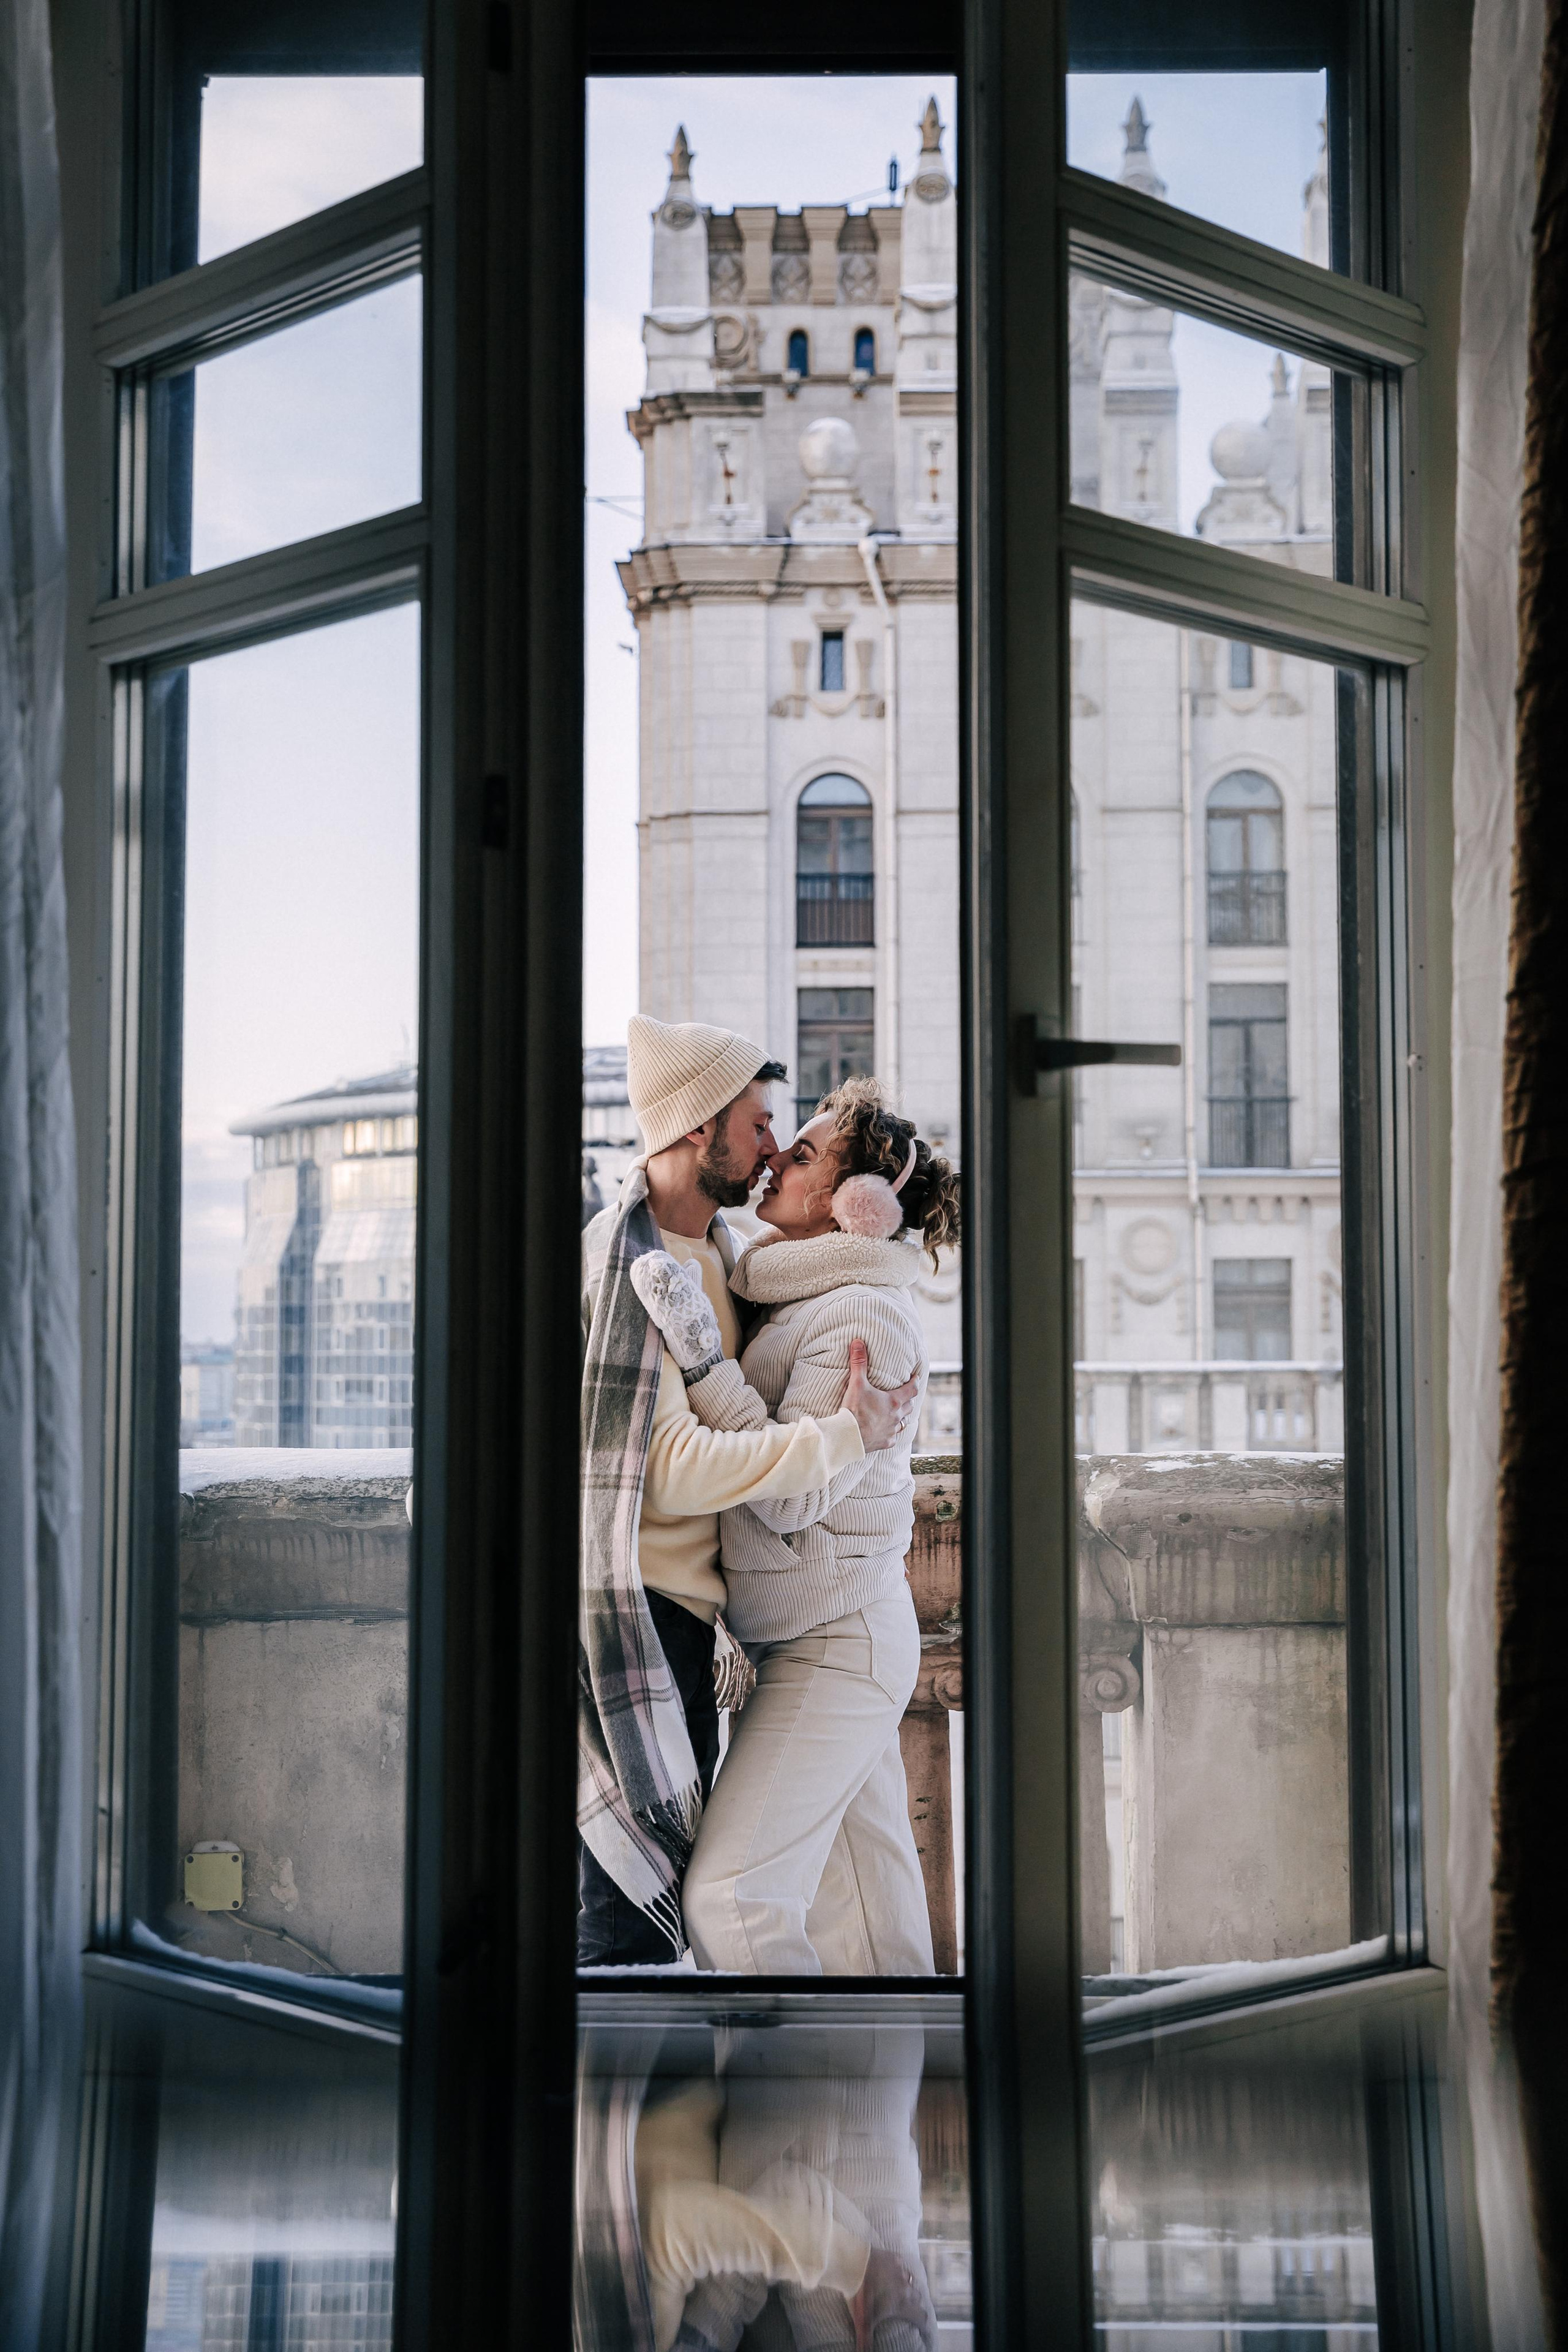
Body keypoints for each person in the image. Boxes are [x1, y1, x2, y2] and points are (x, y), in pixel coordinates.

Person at [578, 1017, 918, 1966]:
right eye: (763, 1125)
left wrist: (836, 1440)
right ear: (698, 1130)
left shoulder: (735, 1267)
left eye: (789, 1139)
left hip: (755, 1628)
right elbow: (669, 1464)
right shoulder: (632, 1264)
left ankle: (813, 2109)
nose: (771, 1150)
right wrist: (839, 1437)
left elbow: (778, 1482)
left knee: (752, 1902)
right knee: (648, 1915)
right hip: (640, 1617)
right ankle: (639, 2112)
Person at [635, 1077, 959, 1976]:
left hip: (835, 1645)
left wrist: (702, 1359)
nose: (776, 1155)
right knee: (868, 1933)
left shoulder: (860, 1315)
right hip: (814, 1640)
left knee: (732, 1901)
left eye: (805, 1153)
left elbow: (786, 1496)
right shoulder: (801, 1294)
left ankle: (781, 2099)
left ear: (855, 1206)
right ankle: (877, 2115)